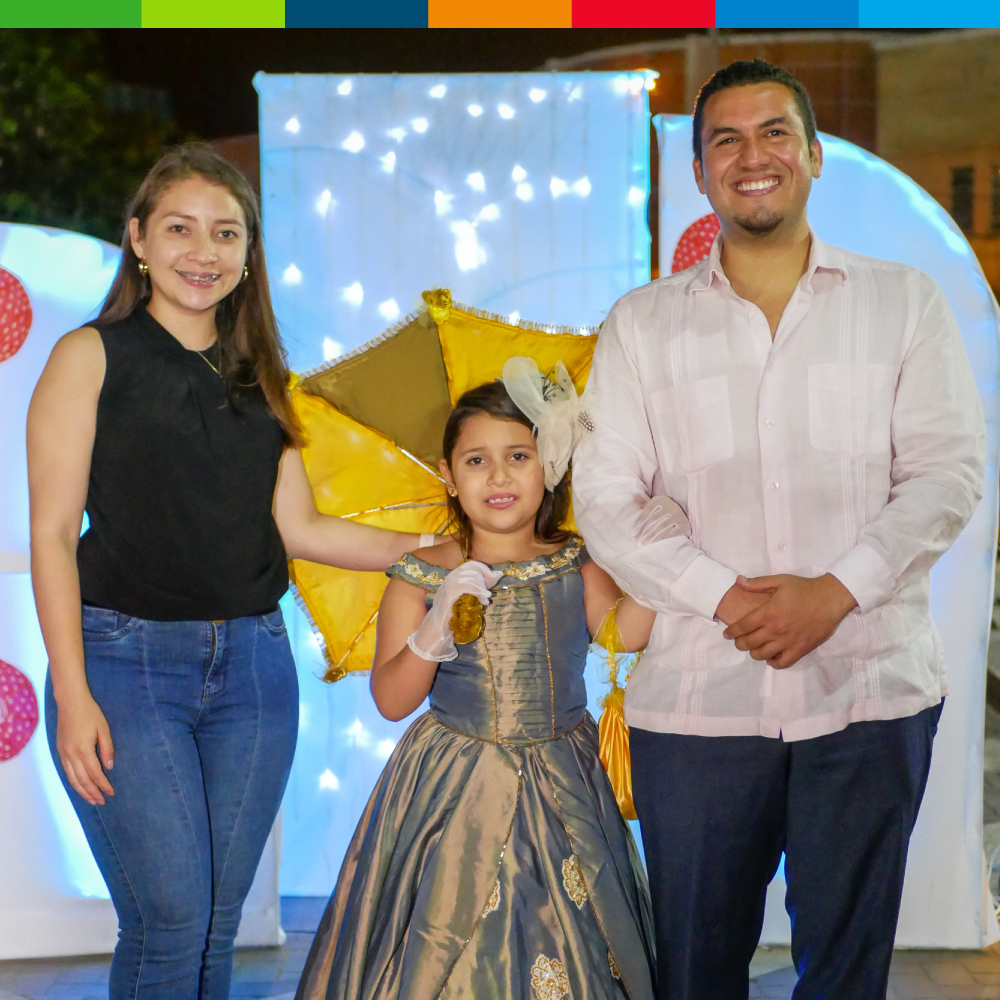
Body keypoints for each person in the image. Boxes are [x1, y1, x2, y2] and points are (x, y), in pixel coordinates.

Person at [572, 59, 986, 1000]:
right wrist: (729, 599)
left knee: (846, 973)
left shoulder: (904, 302)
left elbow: (946, 474)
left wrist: (834, 593)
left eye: (773, 133)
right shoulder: (640, 325)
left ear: (813, 153)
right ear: (699, 170)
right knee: (693, 969)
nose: (751, 156)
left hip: (869, 688)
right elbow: (605, 499)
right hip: (698, 700)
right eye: (726, 139)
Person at [27, 144, 435, 1000]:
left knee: (215, 923)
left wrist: (433, 551)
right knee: (169, 921)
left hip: (253, 670)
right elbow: (54, 532)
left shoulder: (262, 376)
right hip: (125, 666)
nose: (203, 251)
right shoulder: (90, 356)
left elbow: (300, 527)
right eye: (179, 228)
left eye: (225, 233)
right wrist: (73, 692)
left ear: (249, 253)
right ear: (138, 238)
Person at [296, 363, 656, 1000]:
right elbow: (392, 701)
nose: (499, 476)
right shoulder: (420, 572)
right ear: (448, 475)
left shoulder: (576, 560)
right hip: (451, 783)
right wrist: (433, 629)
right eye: (476, 461)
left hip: (565, 779)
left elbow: (623, 634)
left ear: (550, 464)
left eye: (519, 455)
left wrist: (660, 562)